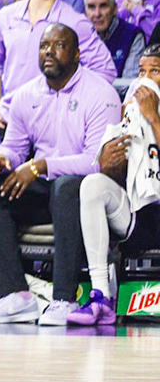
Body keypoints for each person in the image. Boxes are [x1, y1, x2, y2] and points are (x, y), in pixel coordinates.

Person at [0, 25, 119, 325]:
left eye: (59, 45)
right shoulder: (27, 94)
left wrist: (40, 166)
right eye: (43, 46)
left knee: (66, 188)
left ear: (76, 54)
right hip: (44, 186)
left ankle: (64, 299)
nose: (49, 51)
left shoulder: (100, 93)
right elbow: (14, 146)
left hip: (85, 192)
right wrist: (3, 158)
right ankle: (14, 295)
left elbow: (97, 162)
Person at [0, 0, 115, 131]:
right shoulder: (5, 16)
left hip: (55, 125)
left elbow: (104, 70)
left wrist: (73, 105)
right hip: (11, 121)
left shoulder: (75, 22)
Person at [73, 54, 160, 326]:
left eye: (155, 71)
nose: (145, 79)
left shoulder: (149, 114)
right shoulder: (131, 113)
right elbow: (117, 174)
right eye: (141, 71)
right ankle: (101, 296)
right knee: (93, 184)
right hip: (141, 218)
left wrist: (154, 118)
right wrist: (109, 162)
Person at [84, 0, 147, 75]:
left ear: (114, 8)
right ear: (85, 10)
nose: (97, 14)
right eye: (91, 7)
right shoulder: (78, 36)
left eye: (103, 6)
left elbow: (129, 81)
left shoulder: (133, 35)